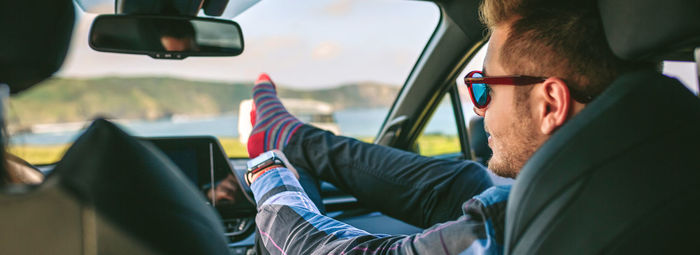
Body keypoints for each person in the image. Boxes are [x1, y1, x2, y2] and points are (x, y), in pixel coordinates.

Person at [243, 0, 649, 254]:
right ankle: (291, 135)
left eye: (484, 88)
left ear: (550, 104)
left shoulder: (513, 224)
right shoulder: (663, 162)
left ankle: (280, 138)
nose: (482, 112)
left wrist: (269, 175)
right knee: (469, 180)